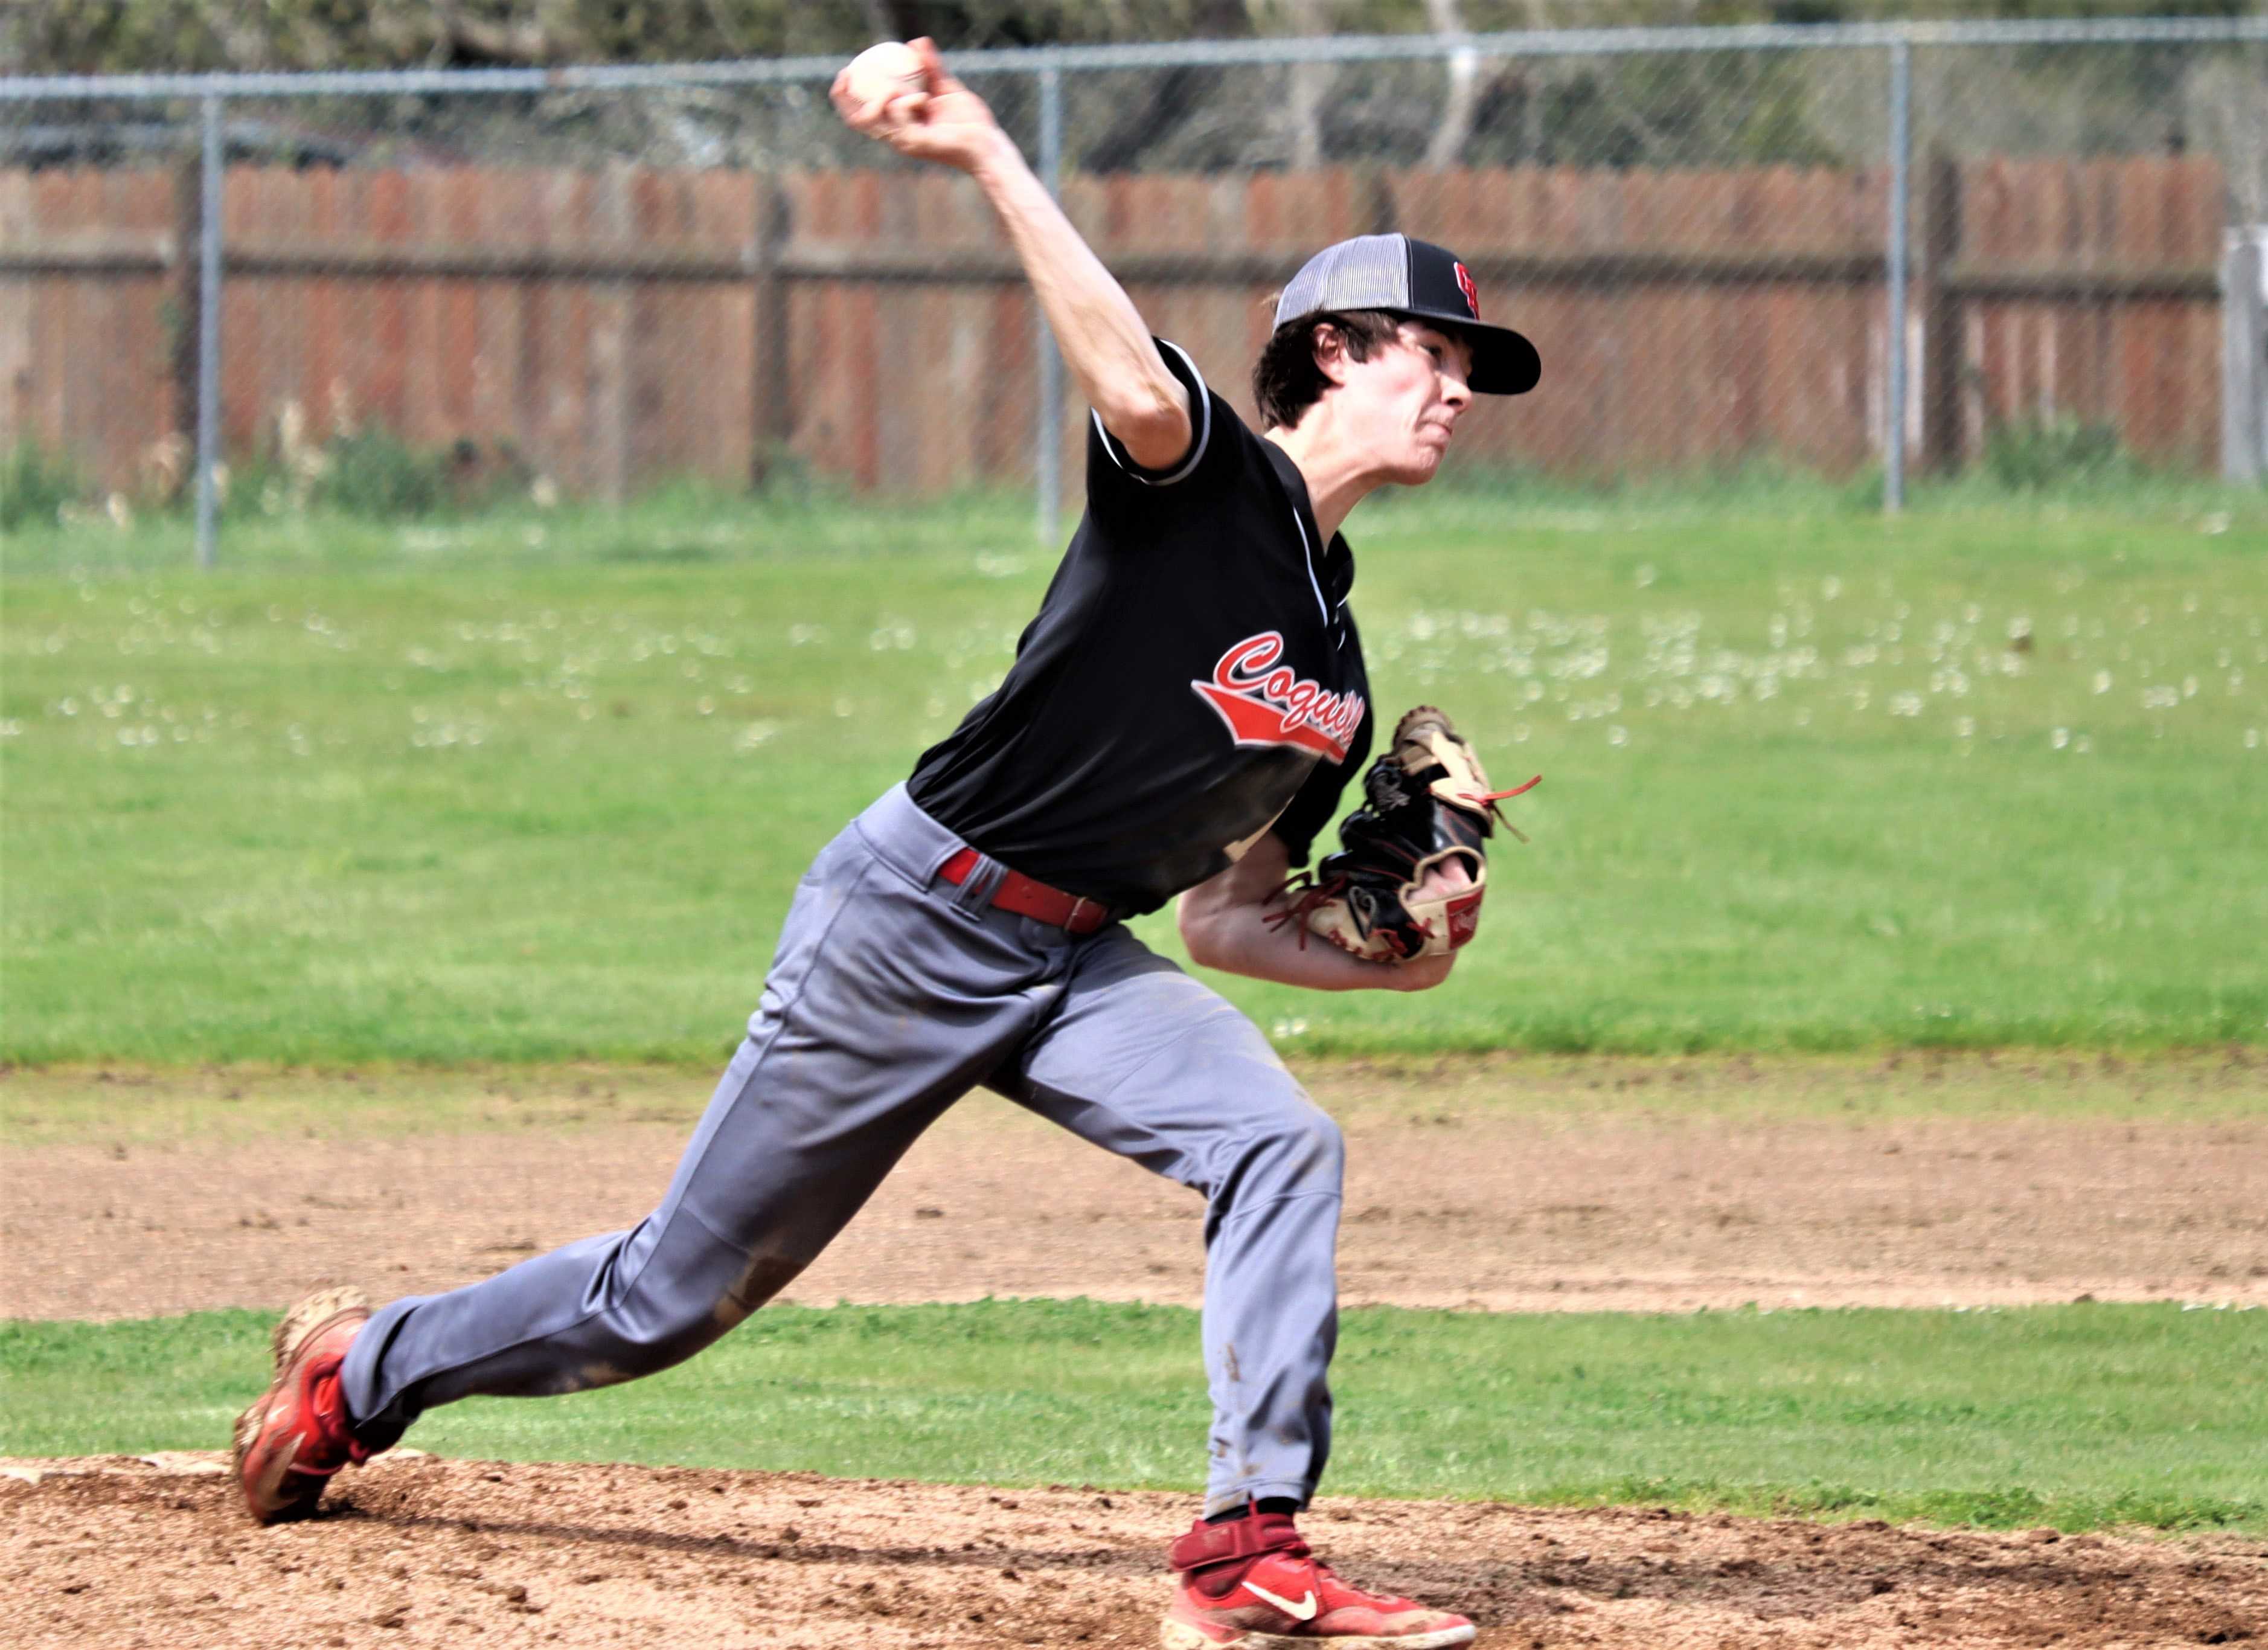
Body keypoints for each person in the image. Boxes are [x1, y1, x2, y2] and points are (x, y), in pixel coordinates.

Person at [231, 37, 1540, 1650]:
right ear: (1332, 349)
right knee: (662, 1301)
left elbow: (1228, 916)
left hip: (1072, 960)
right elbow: (1130, 374)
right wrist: (984, 149)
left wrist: (1395, 957)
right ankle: (358, 1369)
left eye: (1472, 368)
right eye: (1435, 352)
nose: (1460, 389)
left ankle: (1245, 1551)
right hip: (913, 915)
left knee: (1280, 1141)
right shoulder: (1205, 487)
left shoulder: (1333, 673)